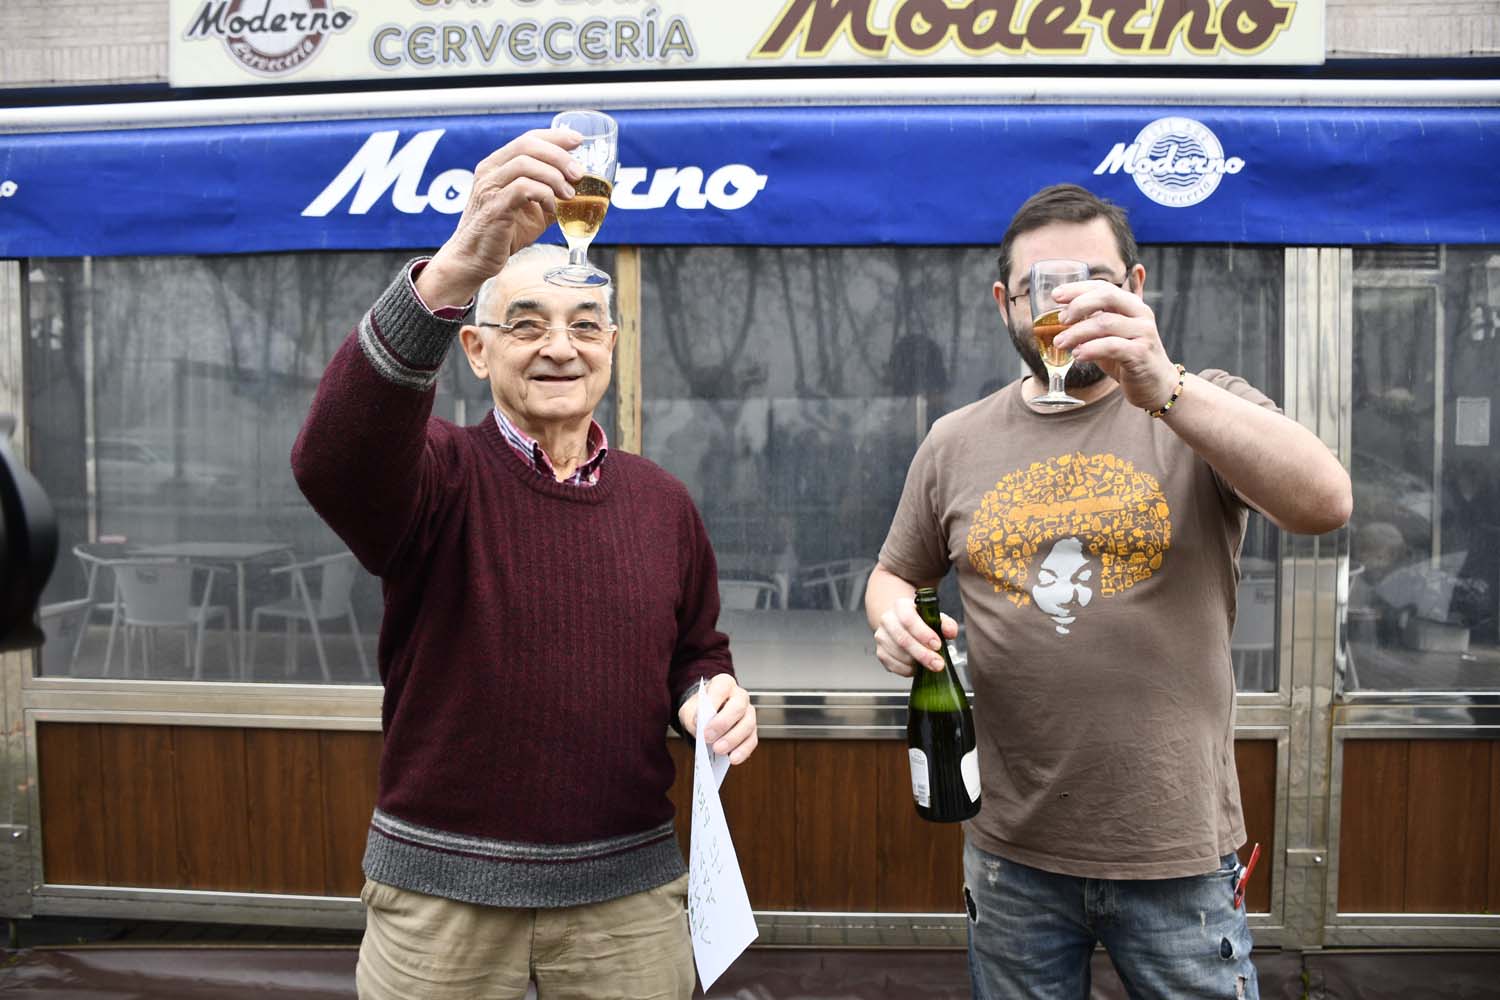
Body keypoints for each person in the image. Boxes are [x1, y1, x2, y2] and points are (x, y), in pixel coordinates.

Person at [291, 127, 757, 1000]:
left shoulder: (664, 503)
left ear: (612, 348)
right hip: (442, 904)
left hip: (627, 901)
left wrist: (710, 700)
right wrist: (459, 264)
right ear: (477, 350)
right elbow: (331, 457)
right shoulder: (433, 476)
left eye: (586, 325)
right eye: (528, 324)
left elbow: (697, 653)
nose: (560, 346)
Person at [866, 184, 1351, 1000]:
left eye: (1091, 280)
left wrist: (1163, 384)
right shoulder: (955, 441)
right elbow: (894, 575)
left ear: (1134, 288)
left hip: (1175, 855)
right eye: (1041, 288)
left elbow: (1325, 502)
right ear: (1004, 305)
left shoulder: (1202, 406)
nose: (1066, 303)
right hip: (1011, 853)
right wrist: (893, 620)